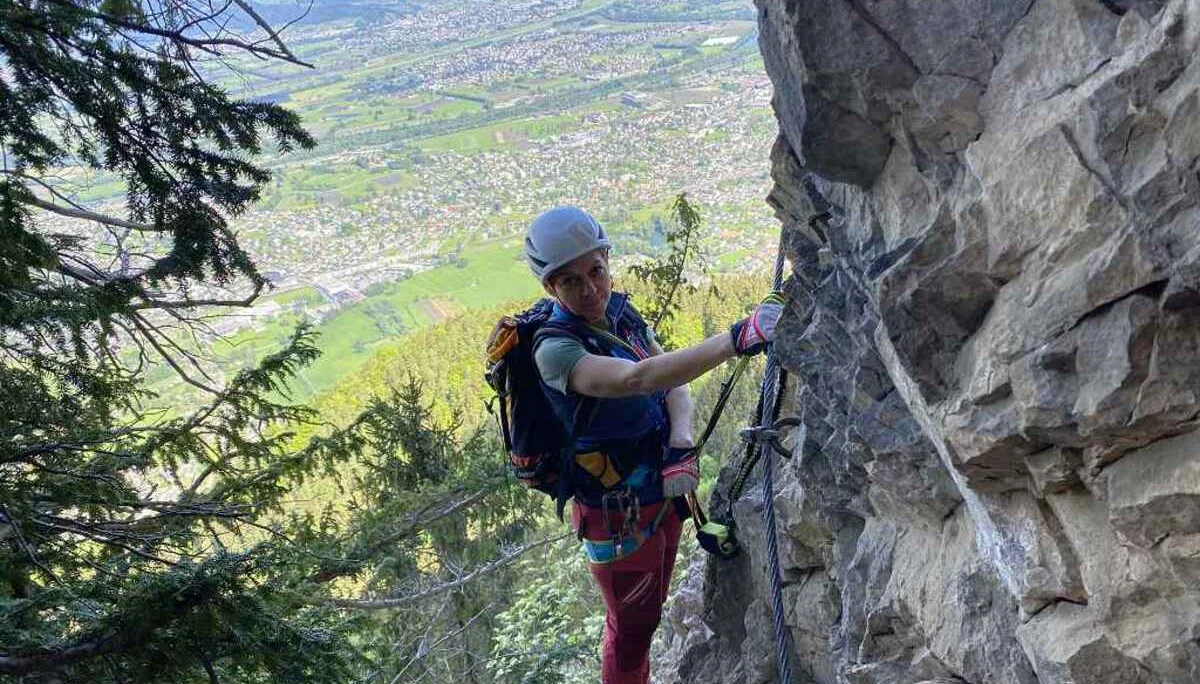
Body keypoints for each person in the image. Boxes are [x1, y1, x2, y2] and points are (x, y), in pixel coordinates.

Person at [524, 205, 784, 684]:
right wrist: (738, 338)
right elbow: (637, 378)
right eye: (570, 282)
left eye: (596, 271)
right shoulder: (555, 350)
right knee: (632, 632)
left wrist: (681, 445)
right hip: (616, 519)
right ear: (550, 288)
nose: (590, 290)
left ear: (606, 258)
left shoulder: (620, 315)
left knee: (649, 612)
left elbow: (672, 384)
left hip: (660, 496)